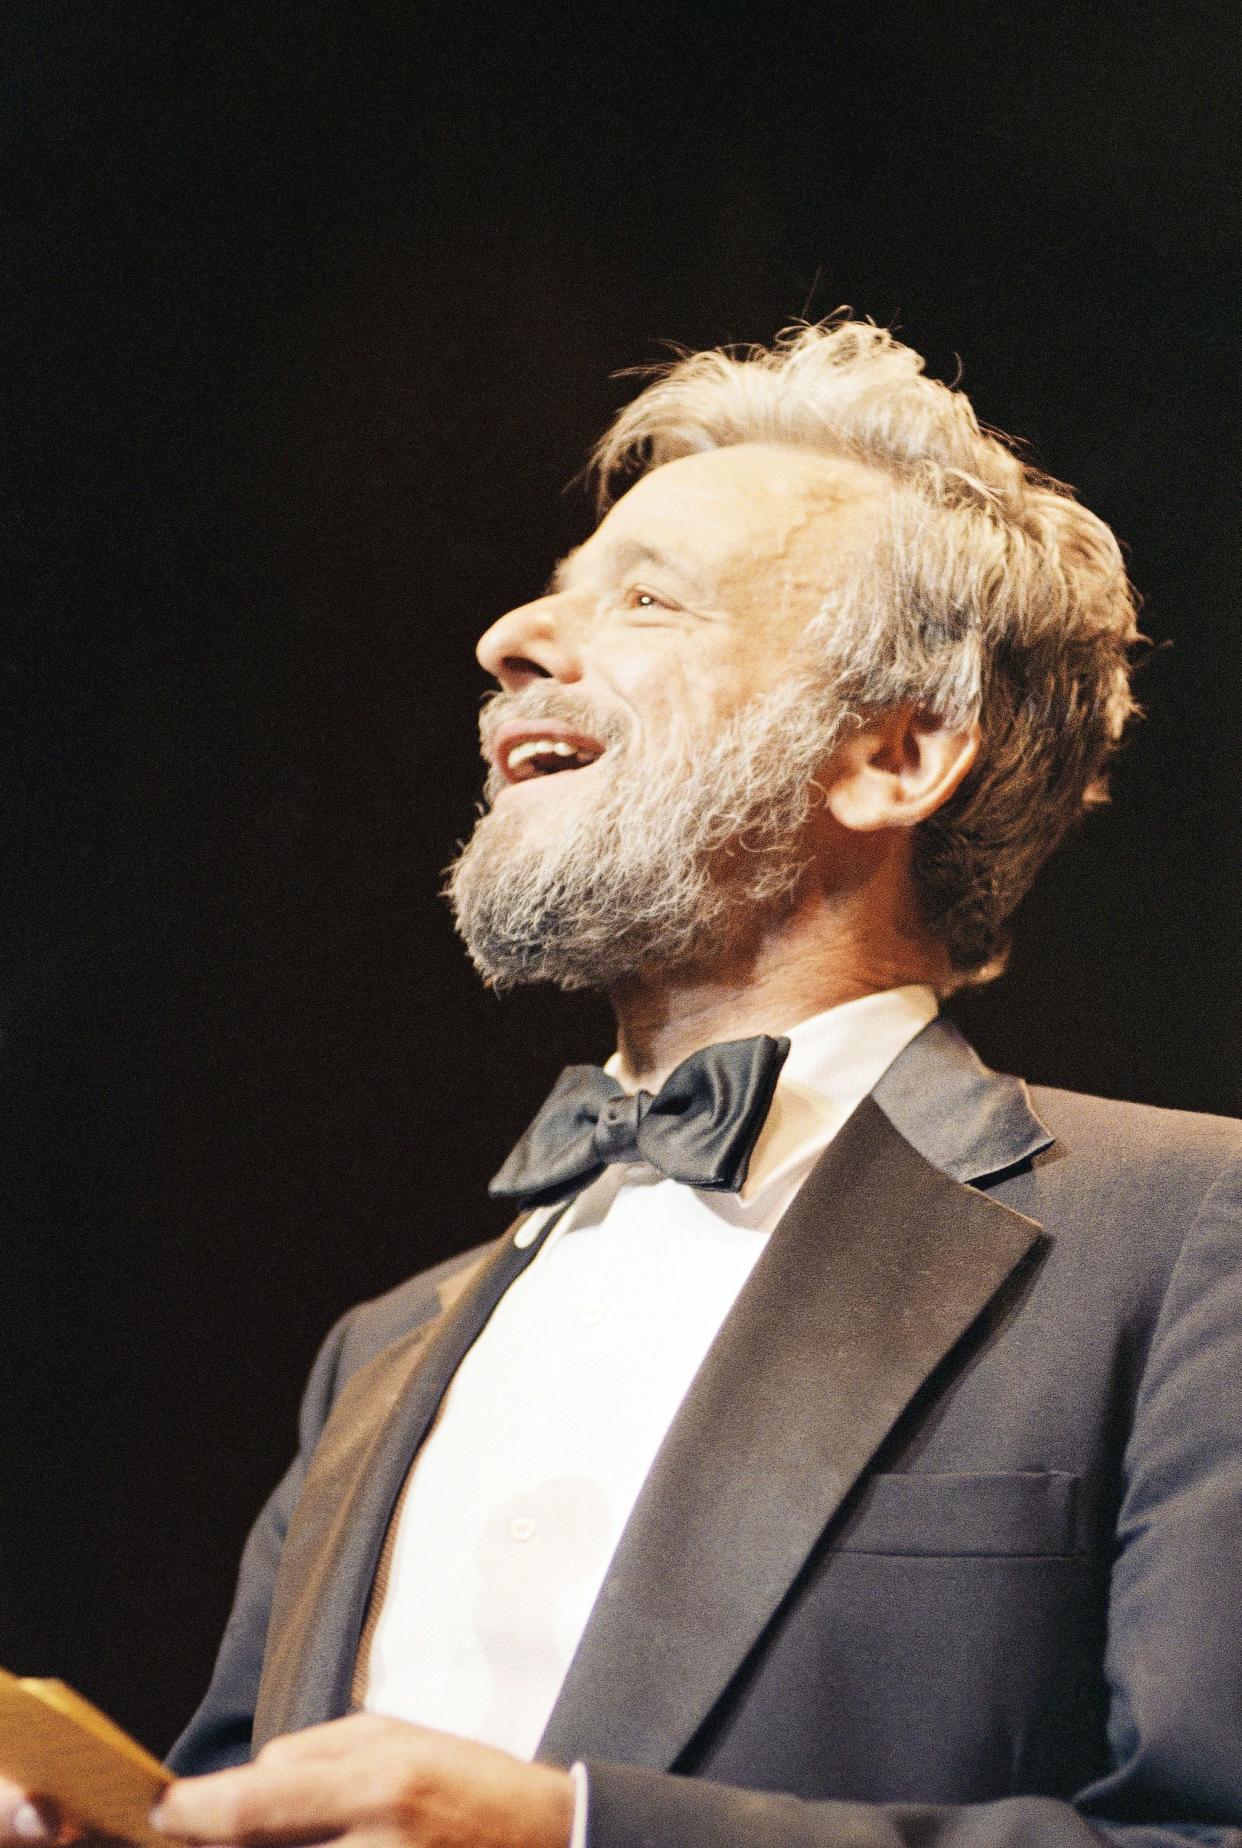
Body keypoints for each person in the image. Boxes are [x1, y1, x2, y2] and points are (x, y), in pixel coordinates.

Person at [4, 320, 1240, 1848]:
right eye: (556, 586)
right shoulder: (383, 1349)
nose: (509, 633)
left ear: (893, 754)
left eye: (646, 599)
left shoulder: (1187, 1238)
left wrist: (575, 1832)